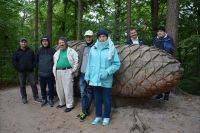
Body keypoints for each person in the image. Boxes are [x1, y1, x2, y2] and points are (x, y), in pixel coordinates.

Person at [85, 28, 121, 126]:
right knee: (97, 99)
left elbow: (117, 64)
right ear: (98, 38)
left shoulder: (111, 48)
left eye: (104, 36)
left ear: (107, 37)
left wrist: (107, 72)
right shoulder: (93, 48)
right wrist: (87, 76)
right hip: (95, 79)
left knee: (106, 99)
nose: (102, 38)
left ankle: (106, 117)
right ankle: (98, 116)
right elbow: (89, 63)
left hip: (106, 79)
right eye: (100, 36)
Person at [12, 38, 41, 104]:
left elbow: (35, 60)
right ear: (20, 43)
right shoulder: (16, 51)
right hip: (21, 72)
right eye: (22, 42)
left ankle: (36, 97)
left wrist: (32, 66)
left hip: (30, 71)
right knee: (22, 85)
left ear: (26, 43)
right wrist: (19, 68)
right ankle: (24, 98)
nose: (23, 43)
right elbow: (14, 61)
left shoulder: (30, 51)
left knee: (33, 83)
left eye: (25, 42)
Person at [53, 37, 78, 112]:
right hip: (58, 72)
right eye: (60, 43)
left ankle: (69, 105)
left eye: (62, 42)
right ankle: (62, 102)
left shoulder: (71, 51)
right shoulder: (57, 52)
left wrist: (73, 70)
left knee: (68, 89)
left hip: (67, 71)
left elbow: (76, 61)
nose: (61, 44)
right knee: (59, 89)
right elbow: (55, 62)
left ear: (66, 43)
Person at [153, 26, 175, 101]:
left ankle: (166, 94)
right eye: (158, 31)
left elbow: (172, 49)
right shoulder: (156, 39)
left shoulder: (169, 38)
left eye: (161, 31)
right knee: (158, 78)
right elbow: (153, 49)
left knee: (167, 78)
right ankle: (159, 94)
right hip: (157, 62)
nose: (159, 32)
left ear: (164, 32)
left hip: (167, 61)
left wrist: (164, 50)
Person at [76, 30, 95, 121]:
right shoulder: (82, 47)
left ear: (92, 37)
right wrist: (77, 71)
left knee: (89, 93)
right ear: (85, 37)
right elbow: (80, 59)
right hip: (82, 74)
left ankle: (85, 111)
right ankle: (84, 111)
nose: (88, 38)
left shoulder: (95, 47)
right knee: (82, 93)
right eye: (87, 36)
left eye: (90, 36)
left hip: (91, 75)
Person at [36, 36, 55, 107]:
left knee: (51, 87)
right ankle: (44, 99)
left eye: (46, 41)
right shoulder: (39, 50)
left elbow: (55, 61)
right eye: (43, 41)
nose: (45, 42)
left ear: (48, 42)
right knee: (42, 87)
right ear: (41, 42)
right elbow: (36, 61)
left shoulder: (53, 50)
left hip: (50, 73)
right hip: (41, 73)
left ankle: (51, 99)